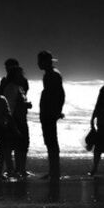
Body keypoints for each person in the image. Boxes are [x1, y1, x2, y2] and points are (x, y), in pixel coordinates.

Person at [0, 58, 31, 178]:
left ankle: (18, 169)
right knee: (10, 145)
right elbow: (8, 101)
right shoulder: (8, 84)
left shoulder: (21, 84)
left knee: (19, 144)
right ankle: (11, 169)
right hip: (12, 117)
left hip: (19, 117)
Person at [38, 51, 66, 179]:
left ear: (45, 61)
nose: (38, 63)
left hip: (49, 111)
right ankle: (53, 170)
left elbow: (60, 94)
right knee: (50, 141)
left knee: (51, 141)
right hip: (48, 111)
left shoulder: (53, 75)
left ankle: (55, 171)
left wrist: (57, 111)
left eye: (39, 60)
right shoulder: (50, 74)